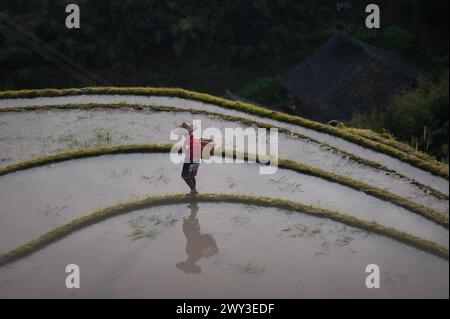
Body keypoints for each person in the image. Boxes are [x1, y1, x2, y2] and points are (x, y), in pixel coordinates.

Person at [176, 202, 218, 274]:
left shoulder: (192, 254)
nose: (185, 262)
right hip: (191, 231)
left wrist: (213, 248)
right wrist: (213, 247)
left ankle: (194, 209)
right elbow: (205, 240)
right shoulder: (194, 255)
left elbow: (204, 241)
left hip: (191, 232)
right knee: (190, 220)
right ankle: (194, 209)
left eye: (186, 264)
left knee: (190, 220)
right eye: (187, 264)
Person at [180, 122, 201, 197]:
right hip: (196, 160)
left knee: (184, 176)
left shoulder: (189, 140)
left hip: (190, 160)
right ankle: (193, 191)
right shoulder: (194, 138)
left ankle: (194, 191)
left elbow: (187, 151)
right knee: (192, 176)